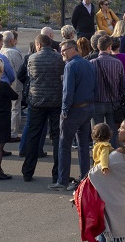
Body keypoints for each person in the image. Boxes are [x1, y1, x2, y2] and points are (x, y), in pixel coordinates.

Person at [85, 117, 125, 242]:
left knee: (105, 236)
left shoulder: (119, 154)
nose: (118, 130)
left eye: (121, 128)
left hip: (112, 210)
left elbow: (95, 174)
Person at [49, 39, 97, 191]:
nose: (62, 52)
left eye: (64, 49)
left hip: (74, 110)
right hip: (88, 108)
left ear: (74, 49)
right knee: (83, 146)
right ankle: (84, 179)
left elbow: (67, 92)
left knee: (65, 145)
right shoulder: (89, 64)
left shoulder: (70, 66)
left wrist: (64, 111)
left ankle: (62, 180)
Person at [21, 34, 64, 183]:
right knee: (57, 136)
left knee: (34, 135)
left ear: (38, 45)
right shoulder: (59, 58)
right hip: (56, 101)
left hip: (37, 101)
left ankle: (28, 171)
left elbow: (29, 76)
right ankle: (57, 173)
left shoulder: (32, 58)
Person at [91, 36, 125, 145]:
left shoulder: (92, 63)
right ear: (110, 47)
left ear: (97, 46)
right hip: (113, 102)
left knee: (97, 132)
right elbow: (122, 85)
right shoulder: (117, 63)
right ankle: (113, 156)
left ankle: (98, 156)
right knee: (113, 133)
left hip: (97, 102)